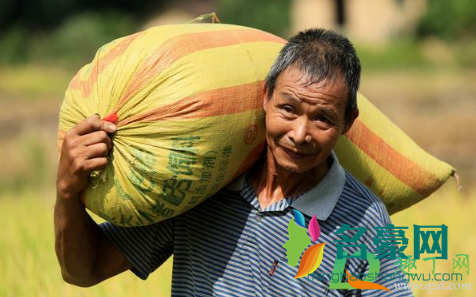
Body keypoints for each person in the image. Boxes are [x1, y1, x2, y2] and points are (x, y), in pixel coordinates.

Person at [55, 28, 413, 296]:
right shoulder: (201, 183)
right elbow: (86, 270)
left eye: (322, 118)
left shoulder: (362, 217)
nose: (300, 134)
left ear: (348, 122)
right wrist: (68, 191)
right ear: (265, 98)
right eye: (288, 109)